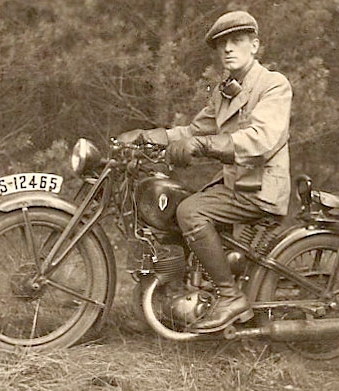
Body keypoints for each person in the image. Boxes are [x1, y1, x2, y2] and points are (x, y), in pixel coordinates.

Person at [118, 10, 292, 333]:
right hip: (237, 186)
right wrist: (153, 135)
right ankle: (178, 292)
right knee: (175, 212)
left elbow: (261, 140)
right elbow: (194, 130)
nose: (227, 49)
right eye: (222, 44)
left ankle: (229, 296)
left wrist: (203, 147)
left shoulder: (273, 85)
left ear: (254, 46)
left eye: (237, 41)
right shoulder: (226, 90)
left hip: (261, 189)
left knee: (190, 212)